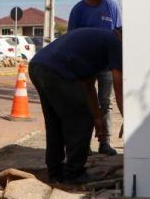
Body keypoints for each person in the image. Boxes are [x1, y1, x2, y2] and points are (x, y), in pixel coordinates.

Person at [28, 28, 123, 184]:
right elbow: (118, 87)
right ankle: (74, 173)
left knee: (55, 122)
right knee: (81, 119)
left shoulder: (100, 40)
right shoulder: (115, 42)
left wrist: (98, 118)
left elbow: (88, 87)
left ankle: (55, 172)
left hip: (38, 66)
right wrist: (128, 118)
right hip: (55, 70)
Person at [67, 0, 123, 155]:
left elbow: (119, 34)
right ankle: (84, 144)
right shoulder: (78, 10)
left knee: (105, 102)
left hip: (107, 65)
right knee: (86, 103)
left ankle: (105, 142)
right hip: (86, 65)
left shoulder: (112, 7)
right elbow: (71, 40)